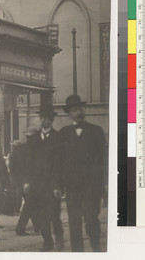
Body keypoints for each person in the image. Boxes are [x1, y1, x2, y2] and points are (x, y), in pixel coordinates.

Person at [59, 95, 107, 252]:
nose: (78, 112)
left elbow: (104, 159)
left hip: (92, 186)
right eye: (74, 110)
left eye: (80, 109)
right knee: (74, 222)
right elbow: (59, 162)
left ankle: (96, 249)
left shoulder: (96, 131)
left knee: (91, 219)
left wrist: (104, 184)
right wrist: (60, 185)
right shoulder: (64, 133)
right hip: (72, 187)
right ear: (69, 114)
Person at [24, 106, 64, 251]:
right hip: (37, 185)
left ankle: (59, 238)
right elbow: (28, 162)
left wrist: (58, 186)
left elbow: (60, 165)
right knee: (41, 216)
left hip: (53, 185)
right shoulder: (33, 139)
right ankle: (47, 241)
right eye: (42, 118)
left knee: (54, 215)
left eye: (47, 119)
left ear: (51, 121)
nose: (44, 121)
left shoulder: (58, 138)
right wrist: (27, 181)